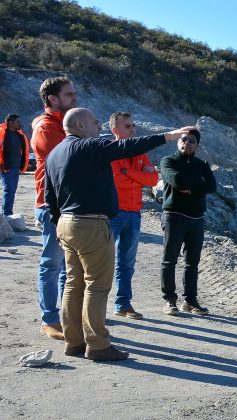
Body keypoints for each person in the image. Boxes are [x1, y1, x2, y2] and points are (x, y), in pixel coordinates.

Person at [44, 107, 192, 361]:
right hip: (90, 224)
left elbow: (50, 197)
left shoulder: (54, 153)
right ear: (80, 126)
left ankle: (74, 342)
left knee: (73, 284)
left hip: (67, 224)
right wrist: (169, 136)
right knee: (97, 286)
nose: (98, 125)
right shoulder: (88, 147)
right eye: (94, 122)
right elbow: (128, 146)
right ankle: (98, 345)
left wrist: (60, 224)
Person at [31, 77, 77, 340]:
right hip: (51, 205)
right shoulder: (46, 127)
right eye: (69, 94)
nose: (74, 97)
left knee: (66, 265)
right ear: (53, 99)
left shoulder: (61, 125)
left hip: (68, 204)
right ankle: (49, 320)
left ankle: (66, 316)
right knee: (51, 264)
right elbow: (67, 161)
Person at [160, 129, 216, 315]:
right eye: (184, 139)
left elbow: (212, 186)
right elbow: (176, 180)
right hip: (174, 216)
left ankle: (190, 301)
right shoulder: (168, 161)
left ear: (197, 146)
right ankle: (169, 300)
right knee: (170, 260)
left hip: (196, 219)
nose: (187, 143)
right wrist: (198, 183)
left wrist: (190, 188)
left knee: (192, 263)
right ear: (178, 142)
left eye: (192, 141)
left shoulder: (202, 165)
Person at [109, 112, 158, 320]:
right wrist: (138, 177)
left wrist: (129, 174)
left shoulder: (140, 153)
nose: (132, 129)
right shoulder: (109, 152)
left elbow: (153, 179)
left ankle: (123, 304)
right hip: (113, 213)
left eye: (133, 126)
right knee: (101, 261)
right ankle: (93, 306)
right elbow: (116, 180)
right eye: (127, 126)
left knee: (127, 263)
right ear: (115, 130)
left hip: (134, 213)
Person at [0, 114, 31, 216]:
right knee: (8, 190)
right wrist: (1, 165)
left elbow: (24, 152)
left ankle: (8, 213)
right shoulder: (3, 133)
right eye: (17, 121)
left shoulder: (18, 135)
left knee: (12, 191)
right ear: (10, 122)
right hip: (5, 168)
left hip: (16, 168)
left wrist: (22, 167)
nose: (20, 123)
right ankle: (6, 215)